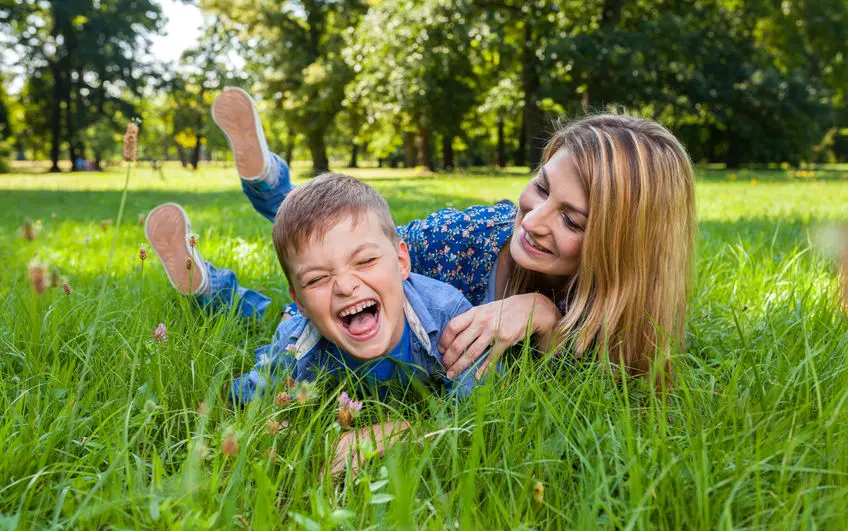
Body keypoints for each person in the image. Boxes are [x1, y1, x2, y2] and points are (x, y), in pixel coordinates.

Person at [149, 87, 696, 388]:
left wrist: (544, 315)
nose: (531, 220)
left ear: (625, 247)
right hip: (367, 291)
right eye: (540, 187)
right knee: (300, 303)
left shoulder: (624, 313)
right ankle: (267, 189)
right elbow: (350, 243)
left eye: (572, 220)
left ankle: (207, 284)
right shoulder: (473, 238)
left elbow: (593, 391)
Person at [145, 174, 488, 404]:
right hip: (301, 331)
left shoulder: (449, 319)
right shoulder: (297, 345)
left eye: (365, 260)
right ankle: (210, 288)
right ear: (301, 304)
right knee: (269, 350)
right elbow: (253, 392)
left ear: (401, 262)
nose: (345, 285)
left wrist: (403, 430)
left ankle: (214, 286)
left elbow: (478, 409)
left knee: (262, 314)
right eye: (316, 279)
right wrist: (203, 400)